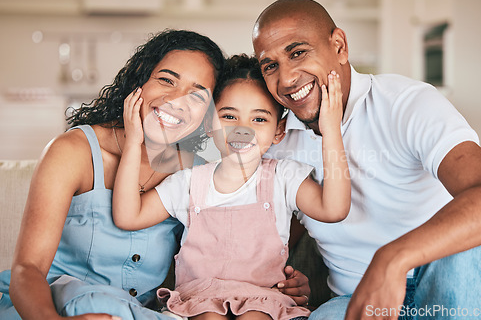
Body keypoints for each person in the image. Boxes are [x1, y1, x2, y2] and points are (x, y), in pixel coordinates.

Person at [0, 30, 308, 320]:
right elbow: (27, 270)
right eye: (167, 80)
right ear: (140, 81)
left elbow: (206, 261)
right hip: (52, 307)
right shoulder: (74, 152)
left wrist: (277, 280)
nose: (177, 100)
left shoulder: (194, 172)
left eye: (198, 94)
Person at [252, 0, 481, 320]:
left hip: (447, 284)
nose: (285, 79)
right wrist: (284, 278)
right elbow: (271, 229)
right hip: (356, 301)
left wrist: (393, 259)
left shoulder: (406, 104)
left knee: (462, 257)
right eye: (270, 65)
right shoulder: (276, 142)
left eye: (297, 53)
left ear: (339, 46)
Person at [111, 54, 351, 320]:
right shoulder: (189, 183)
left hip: (263, 299)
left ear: (278, 130)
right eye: (228, 116)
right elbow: (128, 216)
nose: (242, 129)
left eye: (259, 119)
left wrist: (331, 132)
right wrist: (133, 142)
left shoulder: (284, 177)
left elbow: (334, 209)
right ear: (209, 125)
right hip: (199, 299)